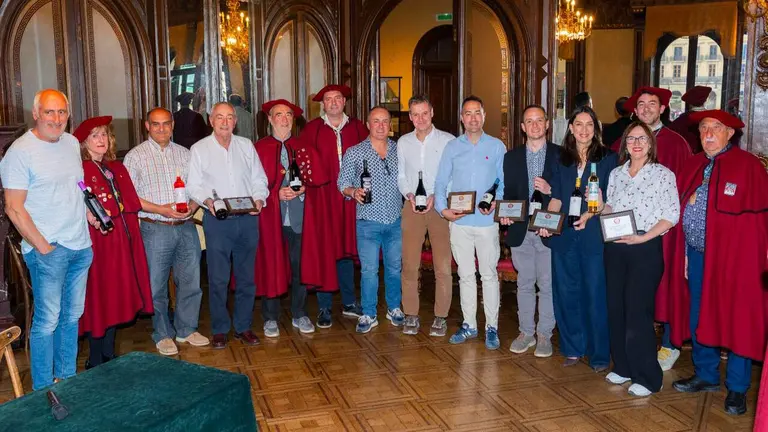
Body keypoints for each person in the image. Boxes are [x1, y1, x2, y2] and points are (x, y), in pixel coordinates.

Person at [667, 110, 768, 416]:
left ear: (730, 133)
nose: (708, 133)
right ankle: (706, 374)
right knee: (700, 315)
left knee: (736, 318)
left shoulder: (749, 166)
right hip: (696, 257)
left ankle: (737, 389)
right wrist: (684, 253)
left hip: (736, 261)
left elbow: (759, 222)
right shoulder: (694, 164)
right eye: (703, 129)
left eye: (716, 128)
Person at [0, 89, 94, 390]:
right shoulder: (20, 152)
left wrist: (89, 215)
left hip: (80, 246)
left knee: (72, 318)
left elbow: (74, 185)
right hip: (48, 251)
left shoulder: (70, 143)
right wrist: (42, 247)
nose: (56, 119)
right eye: (50, 112)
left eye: (62, 112)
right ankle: (42, 389)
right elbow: (13, 207)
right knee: (47, 322)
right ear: (36, 113)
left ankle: (67, 379)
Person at [588, 121, 680, 397]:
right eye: (631, 139)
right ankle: (625, 366)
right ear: (625, 144)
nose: (636, 144)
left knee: (638, 314)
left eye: (642, 139)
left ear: (651, 143)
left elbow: (671, 214)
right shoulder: (616, 174)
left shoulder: (663, 175)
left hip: (645, 248)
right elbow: (612, 209)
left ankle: (648, 377)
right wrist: (602, 205)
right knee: (616, 309)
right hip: (616, 247)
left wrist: (644, 237)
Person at [611, 86, 691, 372]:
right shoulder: (624, 146)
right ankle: (626, 363)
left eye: (652, 103)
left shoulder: (676, 143)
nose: (645, 108)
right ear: (634, 111)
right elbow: (610, 198)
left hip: (662, 233)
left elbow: (679, 200)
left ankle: (669, 344)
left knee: (668, 288)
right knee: (629, 302)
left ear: (663, 109)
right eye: (640, 104)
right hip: (622, 241)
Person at [124, 107, 209, 356]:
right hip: (155, 228)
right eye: (156, 124)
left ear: (172, 125)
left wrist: (193, 206)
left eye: (166, 124)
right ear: (146, 126)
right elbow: (131, 198)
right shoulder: (135, 157)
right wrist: (161, 209)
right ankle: (162, 333)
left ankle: (186, 328)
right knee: (156, 285)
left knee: (191, 280)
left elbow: (197, 187)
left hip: (186, 227)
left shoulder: (185, 154)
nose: (162, 129)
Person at [540, 105, 617, 370]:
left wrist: (593, 212)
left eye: (589, 125)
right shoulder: (561, 159)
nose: (584, 130)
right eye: (578, 124)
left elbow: (612, 202)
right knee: (566, 292)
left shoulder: (610, 159)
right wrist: (547, 224)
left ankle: (598, 354)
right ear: (571, 128)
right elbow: (557, 198)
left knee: (595, 294)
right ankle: (573, 347)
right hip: (564, 237)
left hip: (593, 237)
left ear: (596, 130)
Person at [187, 102, 268, 349]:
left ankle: (243, 327)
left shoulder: (246, 146)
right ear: (211, 120)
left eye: (229, 117)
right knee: (218, 278)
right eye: (219, 117)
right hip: (218, 221)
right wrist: (209, 201)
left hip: (247, 219)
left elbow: (259, 178)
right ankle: (220, 328)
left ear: (235, 121)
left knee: (246, 278)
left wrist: (259, 198)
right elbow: (194, 185)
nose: (225, 122)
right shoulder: (199, 149)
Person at [75, 116, 154, 368]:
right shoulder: (80, 169)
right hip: (97, 243)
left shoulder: (115, 167)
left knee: (116, 294)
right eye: (95, 135)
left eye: (104, 135)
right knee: (100, 296)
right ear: (84, 142)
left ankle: (109, 353)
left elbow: (129, 204)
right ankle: (95, 358)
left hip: (121, 241)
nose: (101, 140)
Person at [434, 95, 506, 350]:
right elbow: (440, 183)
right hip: (460, 223)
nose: (473, 117)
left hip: (486, 224)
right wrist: (444, 211)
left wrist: (497, 202)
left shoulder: (497, 146)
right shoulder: (452, 147)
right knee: (465, 275)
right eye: (468, 113)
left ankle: (492, 327)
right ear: (461, 118)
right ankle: (469, 325)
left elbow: (502, 182)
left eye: (477, 112)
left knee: (488, 276)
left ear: (484, 116)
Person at [299, 84, 368, 328]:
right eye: (328, 99)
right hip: (323, 201)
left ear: (344, 102)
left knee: (347, 250)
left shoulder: (359, 128)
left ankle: (349, 302)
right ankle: (325, 306)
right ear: (323, 104)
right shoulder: (312, 130)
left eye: (338, 98)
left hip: (352, 200)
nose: (334, 102)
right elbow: (303, 163)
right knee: (325, 249)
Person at [499, 105, 559, 357]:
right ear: (522, 127)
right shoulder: (511, 157)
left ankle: (545, 334)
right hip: (520, 230)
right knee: (524, 283)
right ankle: (526, 332)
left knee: (546, 284)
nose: (534, 125)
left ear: (547, 124)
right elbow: (508, 194)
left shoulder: (560, 155)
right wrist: (504, 212)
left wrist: (550, 189)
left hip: (546, 230)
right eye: (529, 121)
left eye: (539, 121)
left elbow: (567, 193)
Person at [337, 106, 404, 333]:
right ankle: (368, 313)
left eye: (385, 121)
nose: (381, 125)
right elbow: (341, 184)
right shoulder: (355, 152)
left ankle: (394, 308)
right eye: (376, 121)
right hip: (368, 221)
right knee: (369, 270)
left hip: (396, 219)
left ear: (390, 125)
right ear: (368, 124)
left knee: (395, 267)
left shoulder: (399, 150)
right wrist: (353, 192)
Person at [254, 99, 315, 337]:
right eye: (278, 115)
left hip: (298, 218)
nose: (284, 119)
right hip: (272, 218)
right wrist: (275, 194)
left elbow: (315, 178)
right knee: (272, 265)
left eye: (288, 114)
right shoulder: (258, 148)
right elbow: (251, 186)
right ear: (270, 119)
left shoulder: (303, 147)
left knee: (299, 267)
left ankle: (299, 313)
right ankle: (270, 317)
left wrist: (305, 189)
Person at [396, 95, 454, 337]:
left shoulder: (448, 141)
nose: (420, 118)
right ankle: (411, 313)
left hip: (439, 207)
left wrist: (436, 196)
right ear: (410, 117)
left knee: (443, 265)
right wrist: (409, 193)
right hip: (412, 206)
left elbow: (452, 176)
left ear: (432, 113)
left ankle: (440, 316)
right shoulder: (403, 142)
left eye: (424, 113)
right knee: (409, 263)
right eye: (415, 114)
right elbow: (400, 175)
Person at [669, 86, 711, 154]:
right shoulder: (713, 119)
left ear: (689, 103)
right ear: (705, 101)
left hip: (686, 157)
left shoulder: (681, 120)